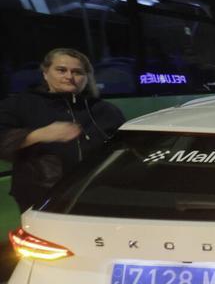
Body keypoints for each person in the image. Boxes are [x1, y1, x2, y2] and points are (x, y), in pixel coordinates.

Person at [0, 48, 125, 212]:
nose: (69, 76)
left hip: (98, 193)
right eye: (61, 70)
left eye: (77, 72)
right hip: (42, 196)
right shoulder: (19, 105)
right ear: (45, 73)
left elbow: (125, 149)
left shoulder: (105, 110)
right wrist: (38, 135)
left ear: (86, 77)